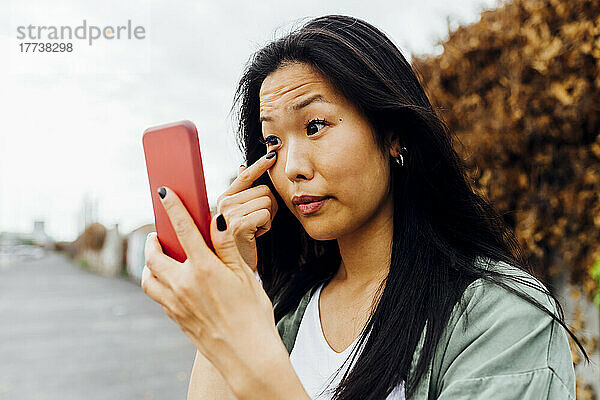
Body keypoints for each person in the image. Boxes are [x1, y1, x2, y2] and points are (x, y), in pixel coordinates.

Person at [142, 15, 588, 400]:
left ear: (393, 135)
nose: (292, 167)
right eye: (273, 141)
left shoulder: (501, 315)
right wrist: (228, 286)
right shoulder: (288, 309)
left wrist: (249, 356)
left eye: (315, 125)